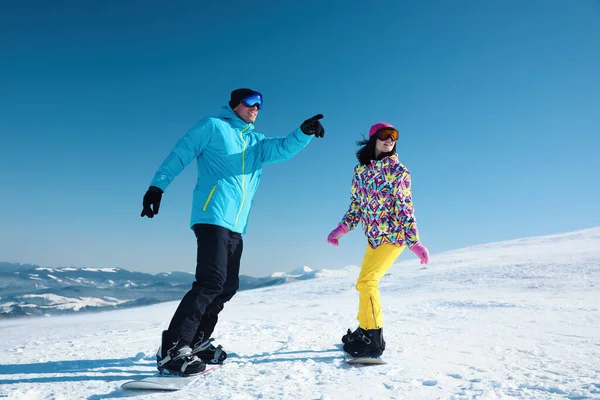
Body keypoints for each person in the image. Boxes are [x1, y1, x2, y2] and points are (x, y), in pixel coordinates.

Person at [140, 88, 325, 375]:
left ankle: (197, 341)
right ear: (235, 104)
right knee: (210, 281)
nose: (256, 108)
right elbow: (181, 153)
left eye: (260, 105)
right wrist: (157, 186)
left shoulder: (256, 142)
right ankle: (173, 349)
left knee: (227, 287)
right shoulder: (213, 127)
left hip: (237, 224)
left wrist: (303, 132)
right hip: (212, 214)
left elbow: (282, 148)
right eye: (251, 102)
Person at [326, 122, 429, 359]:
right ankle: (365, 330)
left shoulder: (398, 171)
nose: (390, 140)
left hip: (394, 236)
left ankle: (373, 339)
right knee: (363, 283)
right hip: (374, 238)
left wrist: (414, 242)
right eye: (385, 135)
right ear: (373, 138)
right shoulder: (360, 171)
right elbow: (356, 207)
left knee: (368, 281)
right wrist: (341, 228)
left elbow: (405, 207)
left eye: (394, 137)